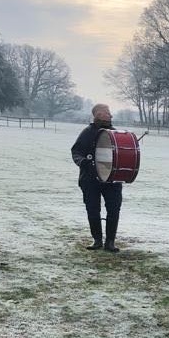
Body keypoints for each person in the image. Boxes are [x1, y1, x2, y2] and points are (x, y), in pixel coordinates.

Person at [71, 103, 123, 253]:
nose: (110, 115)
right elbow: (76, 152)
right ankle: (97, 240)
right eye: (107, 112)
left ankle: (110, 242)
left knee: (114, 209)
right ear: (98, 114)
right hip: (90, 179)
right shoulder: (87, 132)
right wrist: (83, 162)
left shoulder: (115, 134)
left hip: (112, 179)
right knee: (93, 210)